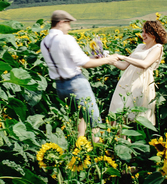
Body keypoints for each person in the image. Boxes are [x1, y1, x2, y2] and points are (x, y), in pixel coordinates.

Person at [40, 10, 118, 142]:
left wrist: (93, 57)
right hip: (76, 83)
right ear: (61, 23)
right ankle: (98, 151)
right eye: (68, 23)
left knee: (80, 116)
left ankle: (79, 145)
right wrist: (108, 60)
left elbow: (68, 63)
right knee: (94, 119)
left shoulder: (45, 42)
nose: (69, 27)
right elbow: (85, 63)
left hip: (60, 87)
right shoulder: (65, 39)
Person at [109, 20, 167, 126]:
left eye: (146, 32)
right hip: (126, 81)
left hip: (140, 81)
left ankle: (126, 139)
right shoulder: (140, 47)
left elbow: (145, 64)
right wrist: (110, 60)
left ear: (154, 33)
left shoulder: (157, 48)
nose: (143, 35)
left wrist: (123, 57)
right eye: (143, 31)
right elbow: (124, 66)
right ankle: (118, 138)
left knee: (129, 113)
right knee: (118, 110)